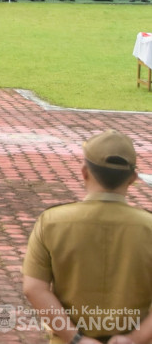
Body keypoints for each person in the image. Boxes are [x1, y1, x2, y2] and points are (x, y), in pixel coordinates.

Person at [23, 130, 152, 344]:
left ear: (84, 172)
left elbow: (34, 288)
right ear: (132, 179)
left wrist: (77, 339)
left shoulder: (52, 222)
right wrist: (133, 338)